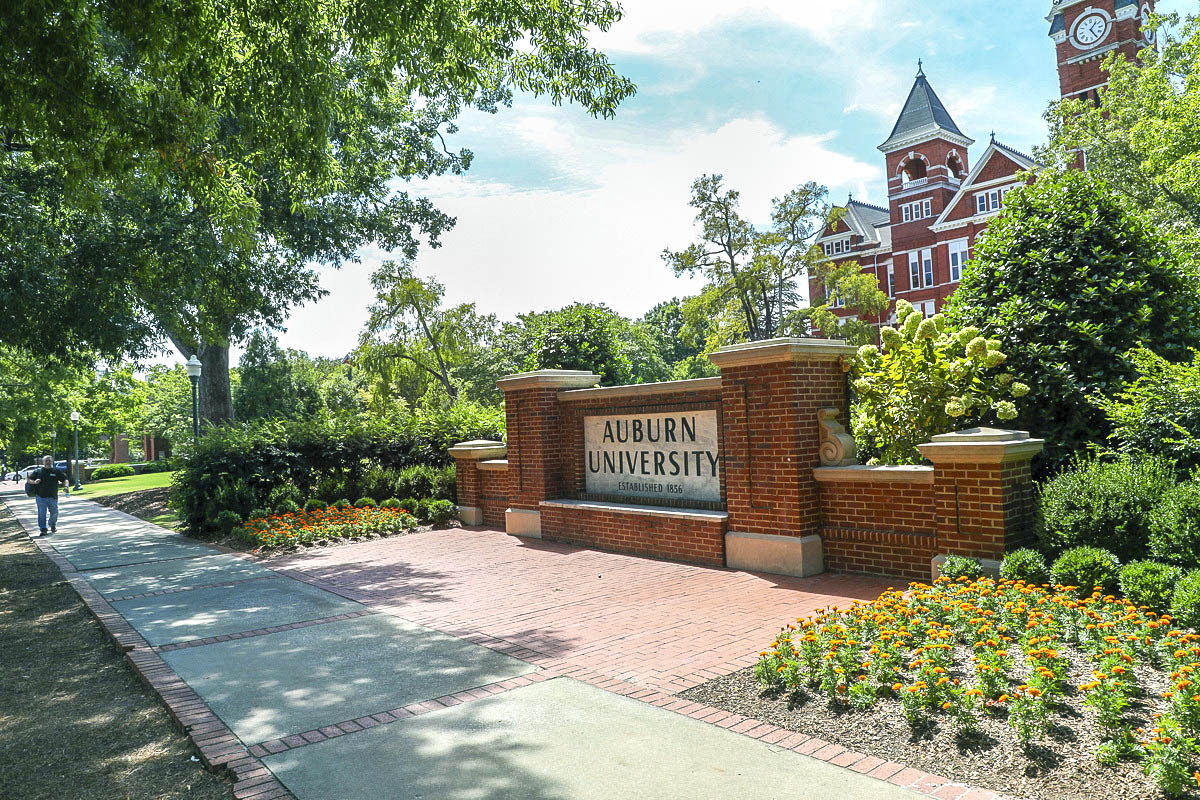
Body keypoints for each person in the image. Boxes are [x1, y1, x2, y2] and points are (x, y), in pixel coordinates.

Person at [29, 455, 69, 536]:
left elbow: (65, 480)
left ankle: (52, 524)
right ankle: (43, 529)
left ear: (52, 461)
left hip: (53, 497)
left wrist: (66, 486)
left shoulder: (56, 471)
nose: (48, 462)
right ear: (43, 462)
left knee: (54, 513)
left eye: (49, 460)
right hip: (40, 497)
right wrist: (34, 482)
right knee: (41, 513)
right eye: (46, 460)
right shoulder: (38, 471)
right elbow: (29, 480)